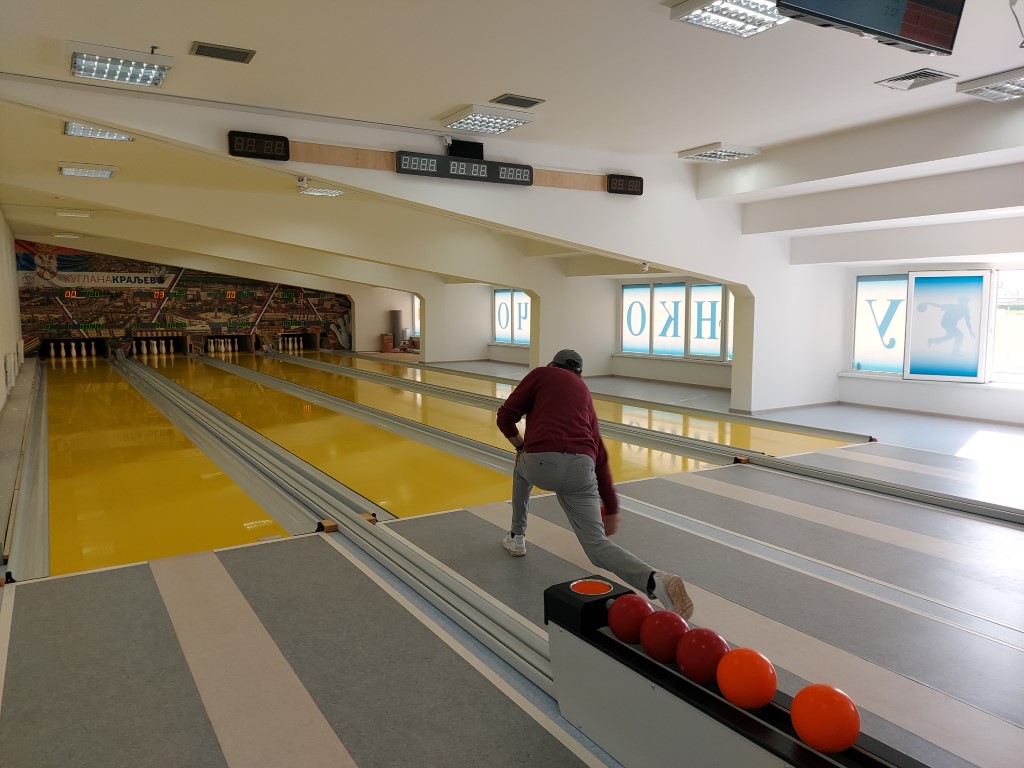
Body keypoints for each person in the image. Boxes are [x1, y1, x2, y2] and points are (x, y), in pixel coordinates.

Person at [496, 349, 694, 619]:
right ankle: (657, 581)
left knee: (520, 467)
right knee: (596, 546)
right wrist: (611, 507)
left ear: (552, 364)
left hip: (542, 464)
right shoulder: (584, 392)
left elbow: (505, 416)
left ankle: (517, 537)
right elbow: (599, 452)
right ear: (579, 374)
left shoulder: (541, 374)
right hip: (583, 468)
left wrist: (521, 447)